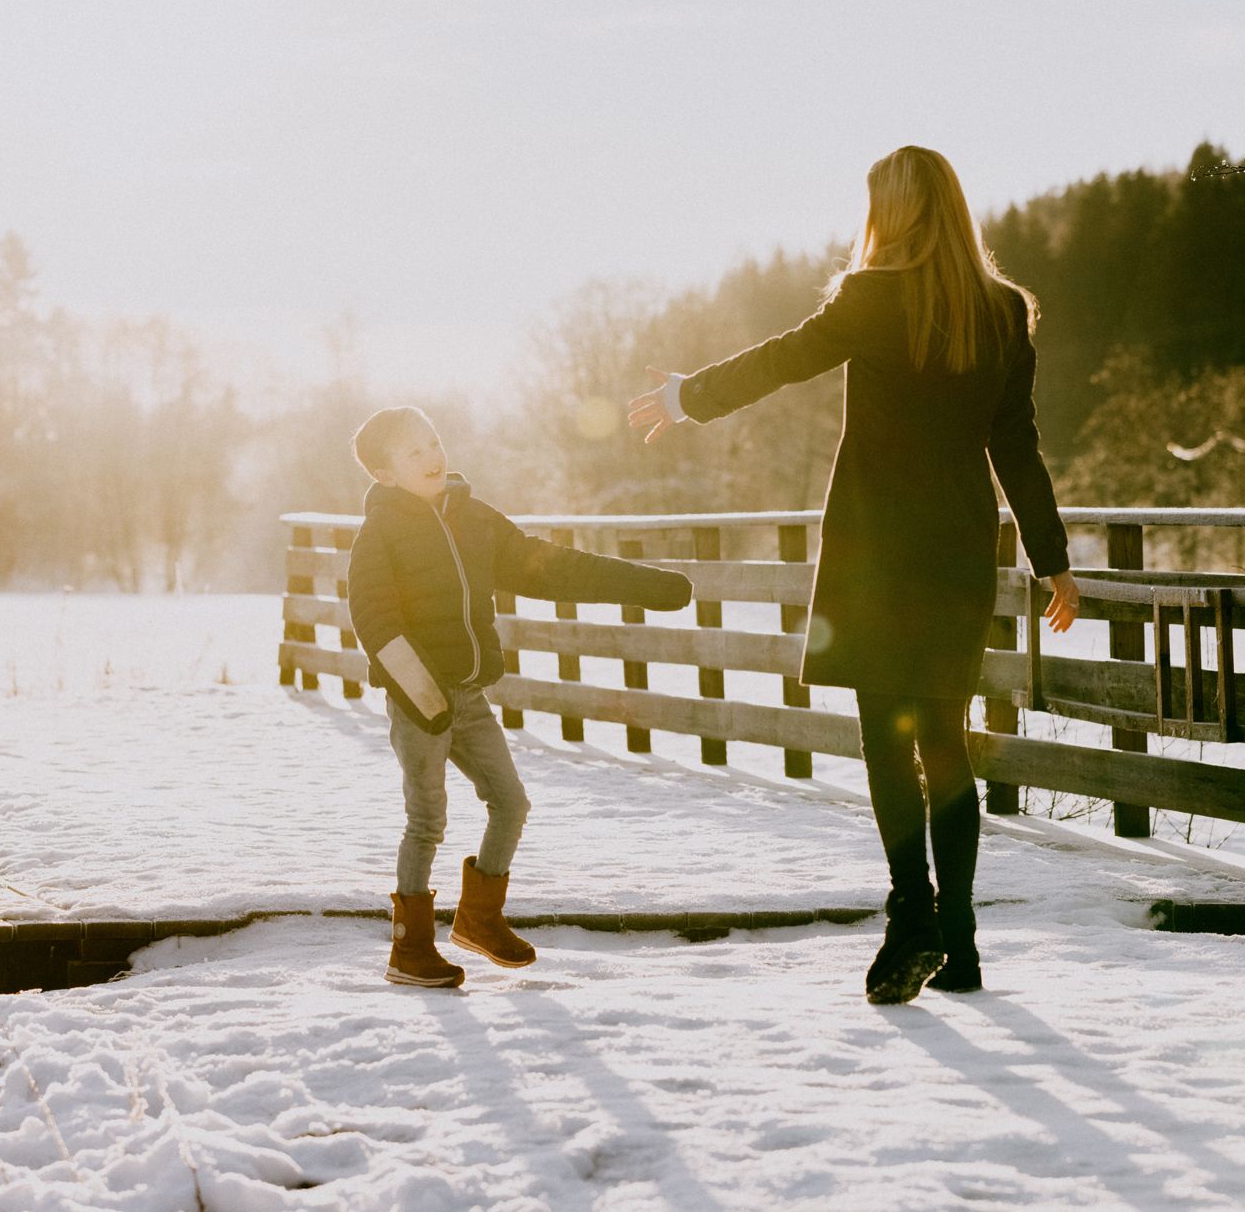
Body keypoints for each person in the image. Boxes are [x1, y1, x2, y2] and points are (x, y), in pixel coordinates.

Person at [628, 146, 1079, 1005]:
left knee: (886, 736)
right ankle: (961, 943)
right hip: (954, 554)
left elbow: (782, 358)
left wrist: (689, 396)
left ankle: (911, 914)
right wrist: (1050, 557)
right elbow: (1013, 443)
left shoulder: (872, 297)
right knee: (945, 742)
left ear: (893, 212)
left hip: (877, 552)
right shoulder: (1003, 311)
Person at [347, 405, 694, 988]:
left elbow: (548, 567)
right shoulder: (379, 534)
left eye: (434, 441)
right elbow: (376, 625)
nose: (432, 456)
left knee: (511, 804)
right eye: (414, 452)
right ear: (385, 475)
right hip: (417, 702)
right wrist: (425, 700)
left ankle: (479, 919)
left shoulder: (472, 518)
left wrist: (644, 585)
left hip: (469, 696)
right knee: (427, 822)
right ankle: (409, 949)